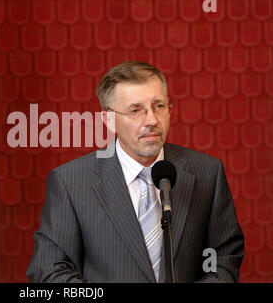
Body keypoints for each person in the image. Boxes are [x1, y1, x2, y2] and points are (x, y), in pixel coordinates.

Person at [26, 61, 244, 283]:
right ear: (109, 120)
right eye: (135, 110)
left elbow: (224, 258)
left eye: (158, 106)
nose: (151, 120)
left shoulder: (207, 172)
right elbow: (49, 270)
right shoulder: (70, 183)